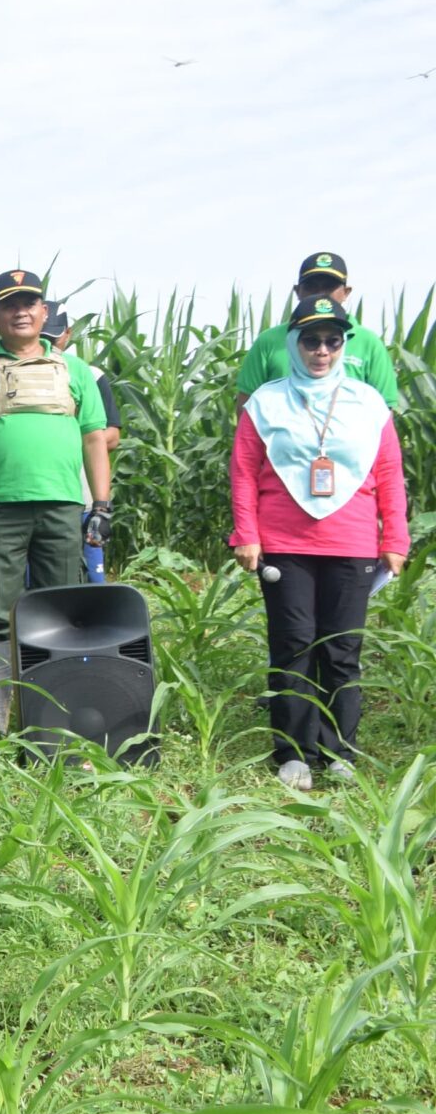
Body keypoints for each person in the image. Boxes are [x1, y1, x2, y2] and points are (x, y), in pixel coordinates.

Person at [229, 294, 410, 791]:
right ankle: (293, 753)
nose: (322, 350)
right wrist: (246, 533)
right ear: (294, 342)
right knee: (292, 646)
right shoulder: (266, 401)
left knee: (342, 650)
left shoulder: (368, 403)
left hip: (352, 543)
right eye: (311, 340)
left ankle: (338, 751)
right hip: (285, 543)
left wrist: (395, 537)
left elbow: (390, 474)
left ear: (343, 345)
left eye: (332, 340)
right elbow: (243, 472)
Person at [0, 270, 113, 731]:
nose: (20, 311)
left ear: (43, 311)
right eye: (9, 304)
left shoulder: (75, 372)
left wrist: (101, 506)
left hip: (61, 509)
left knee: (62, 613)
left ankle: (58, 722)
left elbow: (95, 440)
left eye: (29, 303)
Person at [236, 253, 401, 408]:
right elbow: (247, 406)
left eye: (329, 287)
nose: (321, 295)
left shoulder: (369, 343)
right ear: (297, 291)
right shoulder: (268, 342)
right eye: (311, 287)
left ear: (346, 292)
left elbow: (383, 410)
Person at [49, 306, 122, 582]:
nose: (47, 345)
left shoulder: (88, 375)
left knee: (93, 580)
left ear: (67, 336)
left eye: (53, 338)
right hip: (39, 501)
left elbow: (112, 436)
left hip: (84, 498)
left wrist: (65, 437)